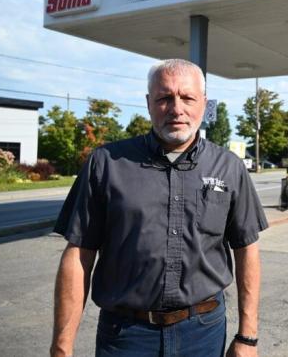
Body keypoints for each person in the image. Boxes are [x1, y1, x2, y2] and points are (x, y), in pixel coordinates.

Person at [50, 59, 268, 357]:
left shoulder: (229, 167)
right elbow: (79, 254)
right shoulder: (106, 164)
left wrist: (248, 337)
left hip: (203, 333)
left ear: (204, 104)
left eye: (188, 98)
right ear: (148, 103)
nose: (177, 108)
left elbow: (247, 249)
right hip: (125, 337)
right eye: (165, 97)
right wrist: (62, 346)